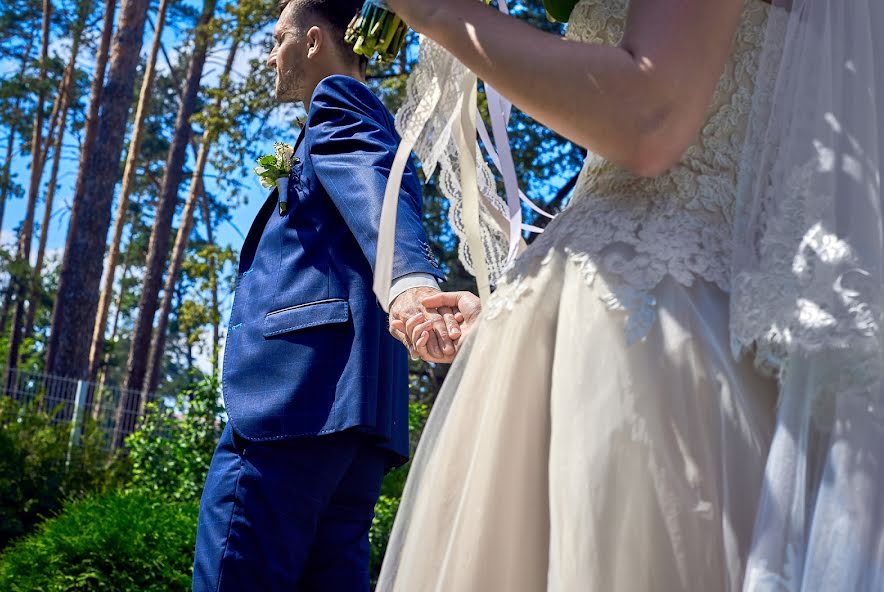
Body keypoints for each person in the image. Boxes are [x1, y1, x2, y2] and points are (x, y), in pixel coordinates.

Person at [382, 0, 884, 590]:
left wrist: (436, 11)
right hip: (637, 306)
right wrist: (512, 309)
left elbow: (651, 115)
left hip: (655, 331)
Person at [190, 0, 462, 589]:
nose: (270, 53)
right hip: (355, 420)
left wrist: (411, 285)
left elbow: (372, 189)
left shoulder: (340, 103)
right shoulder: (375, 120)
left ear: (314, 41)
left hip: (292, 404)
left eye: (279, 37)